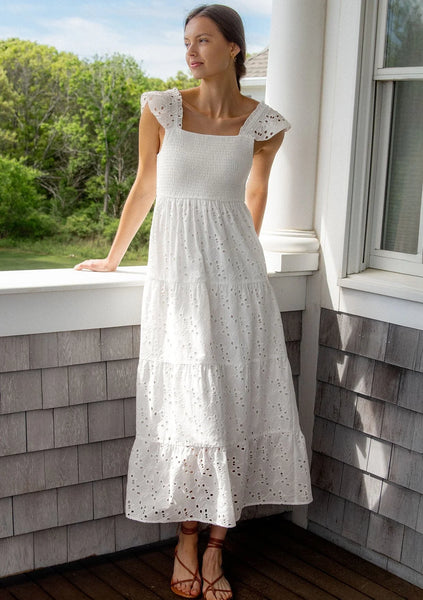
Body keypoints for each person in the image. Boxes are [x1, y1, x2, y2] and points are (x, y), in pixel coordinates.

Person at [75, 4, 312, 599]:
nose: (191, 51)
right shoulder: (161, 108)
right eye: (187, 40)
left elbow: (255, 197)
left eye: (204, 40)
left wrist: (240, 270)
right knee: (190, 405)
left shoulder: (266, 124)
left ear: (234, 48)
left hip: (238, 279)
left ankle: (215, 547)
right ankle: (186, 536)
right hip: (178, 282)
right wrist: (113, 258)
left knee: (236, 402)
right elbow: (145, 186)